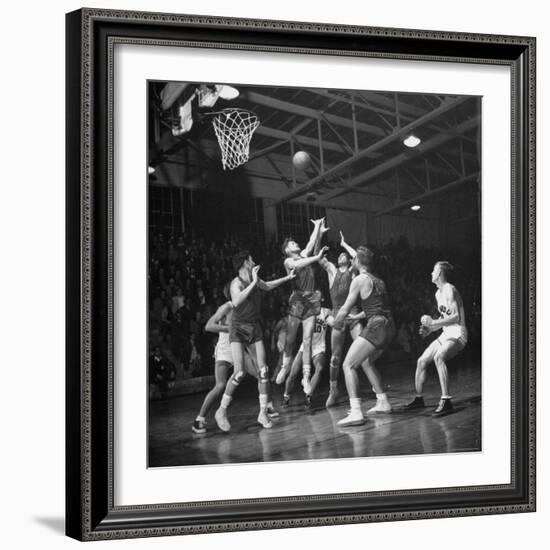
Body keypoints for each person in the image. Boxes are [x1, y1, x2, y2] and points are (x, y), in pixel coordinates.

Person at [214, 251, 295, 432]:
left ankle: (263, 412)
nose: (253, 260)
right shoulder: (236, 283)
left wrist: (286, 278)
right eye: (251, 259)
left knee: (264, 370)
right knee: (240, 372)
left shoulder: (254, 279)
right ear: (244, 263)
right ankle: (221, 410)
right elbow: (237, 301)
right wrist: (253, 282)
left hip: (253, 327)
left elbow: (266, 286)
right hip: (238, 328)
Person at [192, 285, 278, 434]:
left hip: (239, 349)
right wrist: (230, 329)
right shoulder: (227, 307)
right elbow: (208, 326)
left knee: (261, 374)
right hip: (225, 350)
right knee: (220, 386)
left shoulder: (246, 309)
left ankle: (267, 407)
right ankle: (199, 419)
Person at [331, 246, 396, 427]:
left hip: (376, 326)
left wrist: (336, 321)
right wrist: (358, 317)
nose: (352, 261)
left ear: (357, 262)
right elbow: (377, 307)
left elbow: (345, 307)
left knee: (348, 365)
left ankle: (356, 411)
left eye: (353, 259)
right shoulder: (378, 280)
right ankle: (383, 401)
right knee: (366, 362)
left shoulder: (359, 279)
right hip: (389, 325)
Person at [404, 261, 467, 416]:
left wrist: (434, 323)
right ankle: (419, 399)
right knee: (421, 361)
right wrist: (430, 329)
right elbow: (444, 318)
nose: (431, 273)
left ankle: (446, 400)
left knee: (439, 357)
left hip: (458, 333)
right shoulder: (438, 294)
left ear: (439, 273)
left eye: (433, 270)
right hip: (446, 333)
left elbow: (456, 317)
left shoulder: (450, 289)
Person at [275, 218, 328, 393]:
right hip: (298, 299)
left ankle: (305, 377)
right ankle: (285, 365)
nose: (295, 243)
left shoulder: (305, 254)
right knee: (290, 339)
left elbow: (312, 242)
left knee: (307, 340)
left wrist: (317, 226)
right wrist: (316, 257)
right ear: (286, 250)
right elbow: (298, 264)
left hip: (312, 299)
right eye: (291, 243)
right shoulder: (288, 262)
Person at [317, 226, 364, 407]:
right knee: (335, 358)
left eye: (345, 255)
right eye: (340, 254)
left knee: (363, 352)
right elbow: (317, 257)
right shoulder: (332, 271)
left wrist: (345, 243)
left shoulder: (352, 271)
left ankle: (374, 387)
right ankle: (333, 390)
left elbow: (358, 258)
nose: (342, 256)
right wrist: (319, 236)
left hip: (352, 314)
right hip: (337, 315)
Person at [282, 307, 330, 408]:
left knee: (319, 369)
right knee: (293, 373)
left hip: (319, 346)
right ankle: (286, 396)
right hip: (306, 346)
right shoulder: (305, 310)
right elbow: (292, 323)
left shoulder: (326, 311)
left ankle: (309, 396)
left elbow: (336, 318)